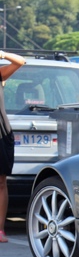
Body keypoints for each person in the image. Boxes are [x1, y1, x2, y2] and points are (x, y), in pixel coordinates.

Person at [0, 50, 26, 243]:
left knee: (1, 182)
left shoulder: (0, 74)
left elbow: (20, 61)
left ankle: (0, 230)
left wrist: (2, 54)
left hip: (1, 133)